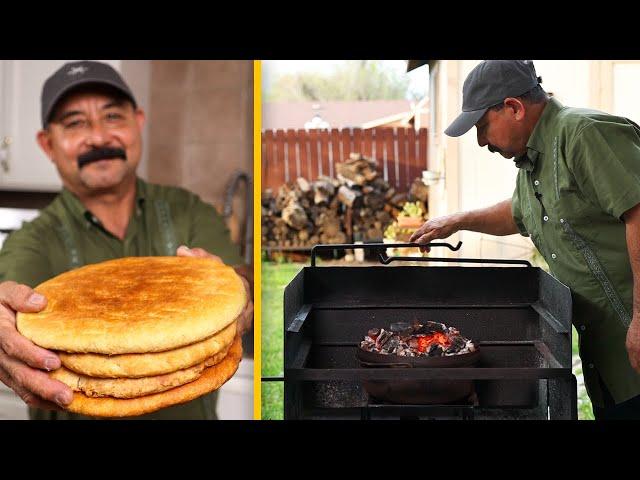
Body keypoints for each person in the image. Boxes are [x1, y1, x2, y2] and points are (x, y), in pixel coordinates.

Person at [0, 60, 253, 420]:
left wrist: (243, 288)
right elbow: (7, 302)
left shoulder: (189, 211)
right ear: (48, 144)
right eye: (75, 123)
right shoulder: (31, 242)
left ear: (138, 122)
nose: (100, 137)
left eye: (113, 117)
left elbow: (240, 277)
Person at [410, 60, 640, 420]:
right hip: (609, 360)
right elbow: (518, 214)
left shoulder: (582, 134)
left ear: (514, 107)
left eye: (483, 126)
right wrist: (456, 221)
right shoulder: (532, 162)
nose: (482, 141)